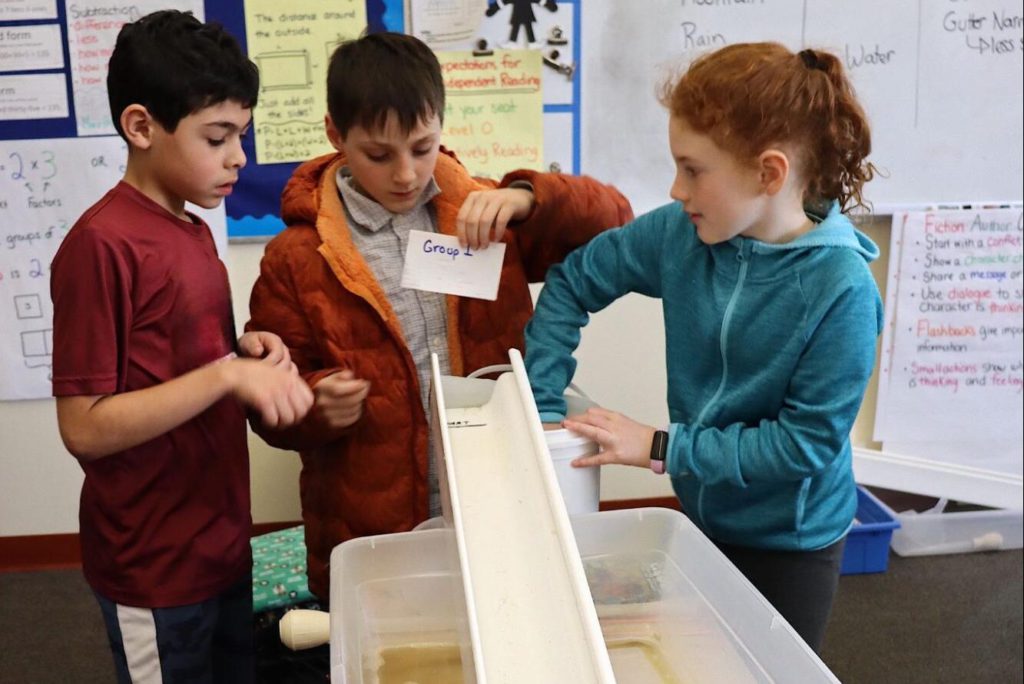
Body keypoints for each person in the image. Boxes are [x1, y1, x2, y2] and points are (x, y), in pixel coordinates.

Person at [246, 31, 632, 601]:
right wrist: (313, 401)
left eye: (423, 147)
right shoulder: (297, 259)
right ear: (336, 135)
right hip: (374, 524)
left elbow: (617, 227)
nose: (406, 173)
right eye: (379, 154)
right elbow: (271, 402)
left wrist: (532, 197)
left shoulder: (482, 210)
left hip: (493, 499)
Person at [524, 42, 882, 653]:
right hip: (699, 517)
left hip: (790, 544)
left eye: (693, 169)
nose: (676, 187)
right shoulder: (680, 233)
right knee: (696, 659)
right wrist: (542, 406)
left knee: (766, 667)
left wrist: (659, 445)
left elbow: (803, 444)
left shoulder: (840, 289)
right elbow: (571, 282)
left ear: (769, 173)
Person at [50, 10, 313, 683]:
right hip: (154, 565)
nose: (238, 158)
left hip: (221, 542)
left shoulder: (194, 233)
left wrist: (243, 351)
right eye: (217, 137)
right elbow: (84, 426)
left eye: (242, 136)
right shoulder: (100, 246)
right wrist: (226, 377)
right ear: (142, 127)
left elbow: (183, 364)